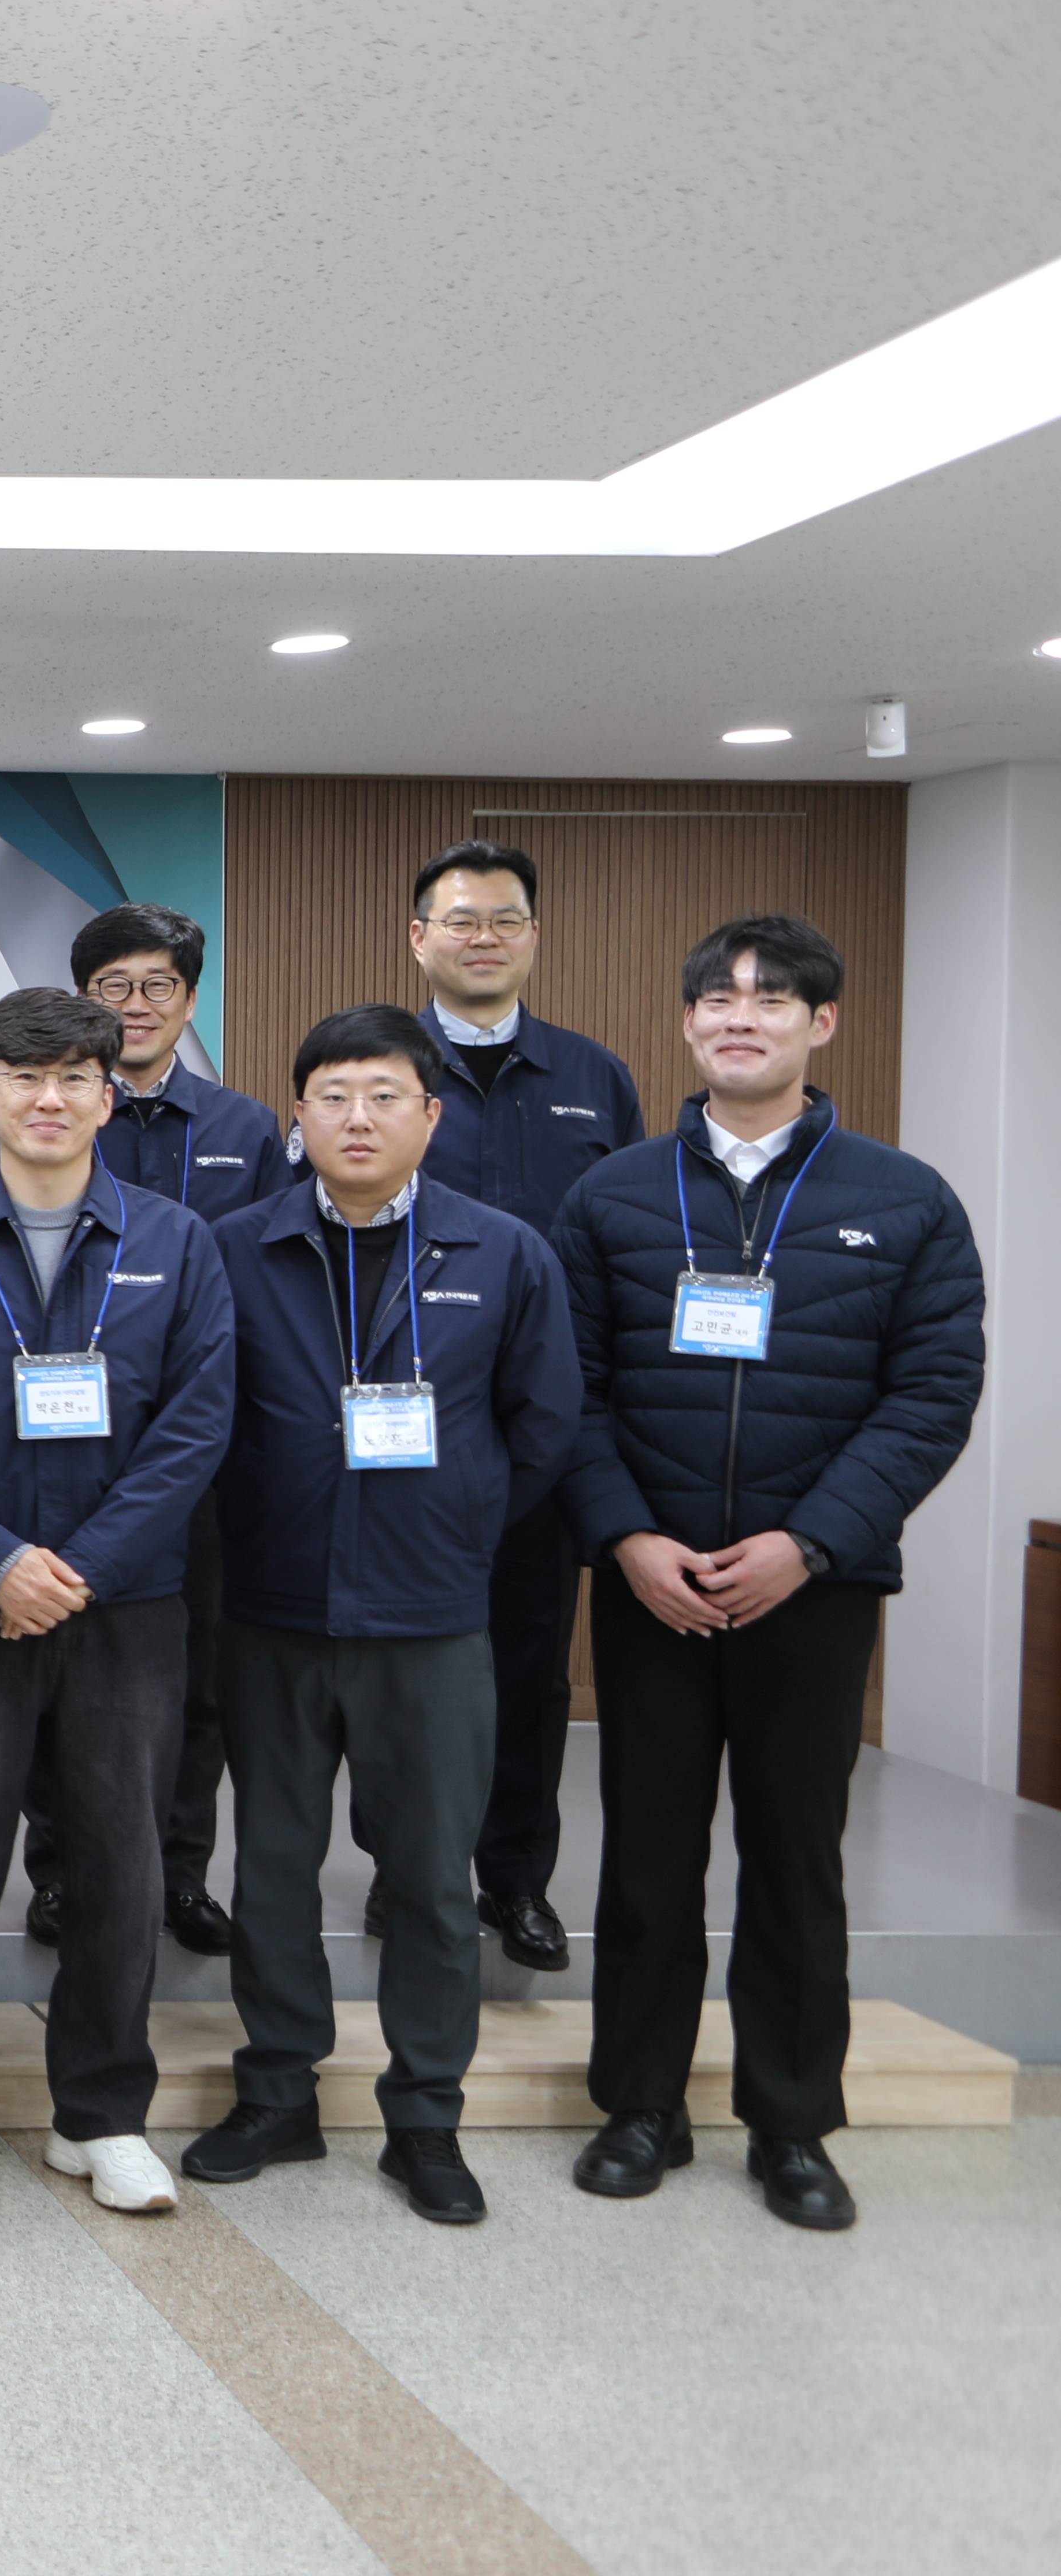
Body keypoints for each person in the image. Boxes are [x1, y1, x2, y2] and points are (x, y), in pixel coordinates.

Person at [551, 915, 983, 2232]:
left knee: (797, 1858)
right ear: (687, 1023)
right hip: (655, 1584)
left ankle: (793, 2123)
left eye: (774, 998)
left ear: (821, 1024)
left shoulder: (905, 1200)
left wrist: (812, 1542)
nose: (743, 1017)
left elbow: (931, 1395)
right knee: (647, 1855)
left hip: (815, 1588)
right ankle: (641, 2105)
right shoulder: (614, 1195)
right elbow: (568, 1390)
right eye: (720, 998)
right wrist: (629, 1540)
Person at [182, 1006, 578, 2228]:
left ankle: (425, 2115)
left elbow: (545, 1426)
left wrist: (456, 1525)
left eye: (385, 1095)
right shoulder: (234, 1249)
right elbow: (197, 1418)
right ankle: (278, 2091)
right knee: (274, 1869)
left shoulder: (503, 1252)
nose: (358, 1118)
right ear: (295, 1116)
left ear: (431, 1115)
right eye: (334, 1096)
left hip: (433, 1618)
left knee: (430, 1877)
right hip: (275, 1611)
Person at [0, 991, 235, 2217]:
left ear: (108, 1096)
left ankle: (102, 2112)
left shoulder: (177, 1240)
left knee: (123, 1864)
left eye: (76, 1077)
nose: (49, 1099)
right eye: (24, 1078)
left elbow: (197, 1426)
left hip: (126, 1607)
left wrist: (79, 1568)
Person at [388, 841, 648, 1973]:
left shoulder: (596, 1077)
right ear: (420, 939)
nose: (483, 937)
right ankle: (410, 1873)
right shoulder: (381, 1065)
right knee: (398, 1668)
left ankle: (515, 1880)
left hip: (545, 1427)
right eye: (461, 919)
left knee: (529, 1663)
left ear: (534, 937)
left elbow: (631, 1247)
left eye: (505, 919)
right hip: (400, 1424)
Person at [20, 902, 291, 1958]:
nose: (137, 1006)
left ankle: (177, 1873)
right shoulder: (45, 1110)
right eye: (113, 987)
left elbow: (265, 1281)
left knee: (192, 1679)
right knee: (53, 1675)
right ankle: (58, 1876)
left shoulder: (242, 1130)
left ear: (189, 1000)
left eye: (159, 986)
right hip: (59, 1449)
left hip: (194, 1452)